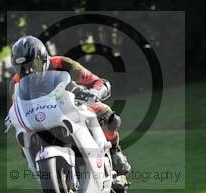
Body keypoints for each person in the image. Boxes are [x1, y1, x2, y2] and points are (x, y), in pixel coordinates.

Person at [10, 35, 131, 175]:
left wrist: (94, 92)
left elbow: (98, 81)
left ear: (43, 58)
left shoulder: (62, 63)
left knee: (107, 115)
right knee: (24, 142)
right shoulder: (15, 82)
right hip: (39, 116)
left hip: (71, 103)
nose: (28, 71)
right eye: (21, 68)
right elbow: (17, 106)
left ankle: (115, 151)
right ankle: (45, 172)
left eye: (32, 65)